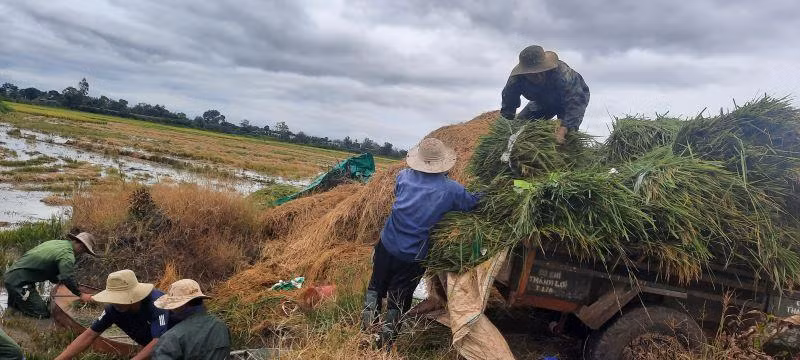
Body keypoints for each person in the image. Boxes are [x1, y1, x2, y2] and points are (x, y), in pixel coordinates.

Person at [361, 138, 481, 349]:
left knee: (376, 286)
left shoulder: (404, 176)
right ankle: (385, 344)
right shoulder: (451, 190)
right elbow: (472, 204)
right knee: (400, 297)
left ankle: (365, 330)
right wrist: (486, 194)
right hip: (412, 255)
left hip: (386, 243)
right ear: (442, 163)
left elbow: (398, 196)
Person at [56, 269, 170, 360]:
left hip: (176, 343)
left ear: (133, 295)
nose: (115, 303)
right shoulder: (113, 309)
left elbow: (158, 341)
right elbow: (89, 335)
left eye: (119, 299)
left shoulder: (157, 303)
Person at [500, 45, 590, 144]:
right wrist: (507, 125)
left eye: (541, 71)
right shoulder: (516, 80)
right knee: (519, 127)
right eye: (532, 74)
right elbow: (508, 103)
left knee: (566, 136)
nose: (538, 76)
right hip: (543, 102)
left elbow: (576, 101)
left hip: (572, 99)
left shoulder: (563, 74)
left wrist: (564, 128)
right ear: (524, 73)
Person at [4, 232, 98, 318]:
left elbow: (51, 271)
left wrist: (59, 280)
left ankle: (11, 315)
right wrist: (81, 294)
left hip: (14, 276)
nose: (81, 253)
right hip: (18, 282)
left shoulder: (58, 243)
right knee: (42, 314)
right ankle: (18, 321)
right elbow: (67, 277)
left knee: (14, 308)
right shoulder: (67, 256)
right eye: (84, 251)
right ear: (81, 246)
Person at [152, 279, 230, 360]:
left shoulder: (171, 338)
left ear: (182, 305)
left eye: (172, 305)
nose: (171, 309)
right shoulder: (221, 326)